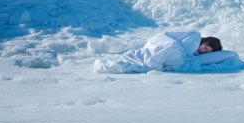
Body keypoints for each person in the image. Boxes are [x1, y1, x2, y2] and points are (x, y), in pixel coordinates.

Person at [94, 31, 225, 73]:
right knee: (171, 46)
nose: (203, 51)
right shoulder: (191, 39)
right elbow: (166, 39)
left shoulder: (193, 54)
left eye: (206, 52)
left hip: (164, 59)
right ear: (204, 42)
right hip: (156, 51)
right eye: (205, 48)